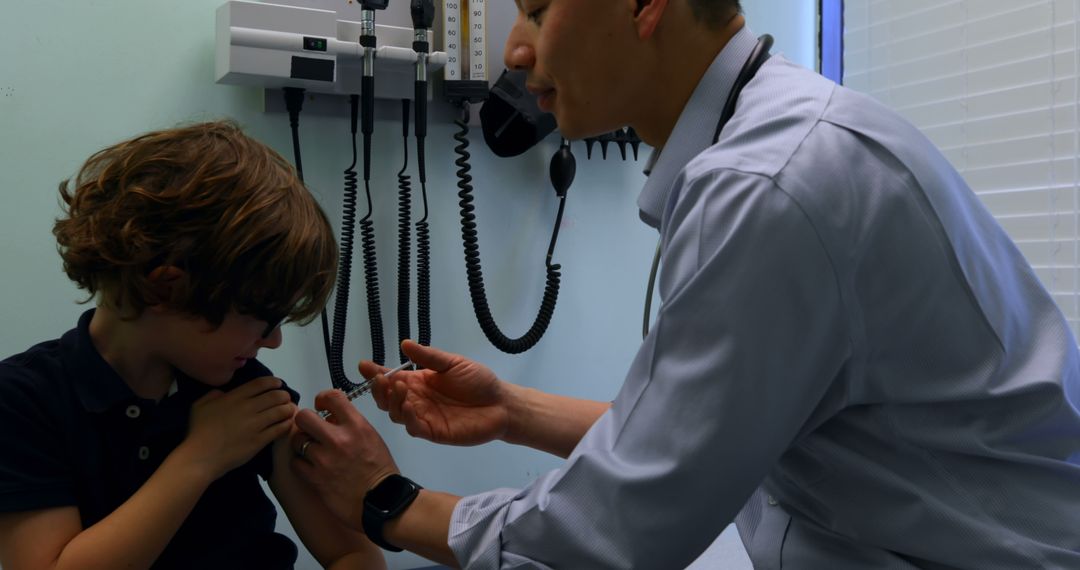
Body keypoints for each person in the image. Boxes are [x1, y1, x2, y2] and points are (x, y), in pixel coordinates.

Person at [291, 0, 1080, 567]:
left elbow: (620, 532)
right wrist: (513, 411)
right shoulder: (780, 138)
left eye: (536, 9)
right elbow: (721, 430)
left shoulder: (770, 184)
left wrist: (389, 503)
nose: (517, 52)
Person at [0, 121, 386, 569]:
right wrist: (201, 457)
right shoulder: (24, 401)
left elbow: (353, 553)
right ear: (168, 290)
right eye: (262, 318)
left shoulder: (246, 390)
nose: (275, 341)